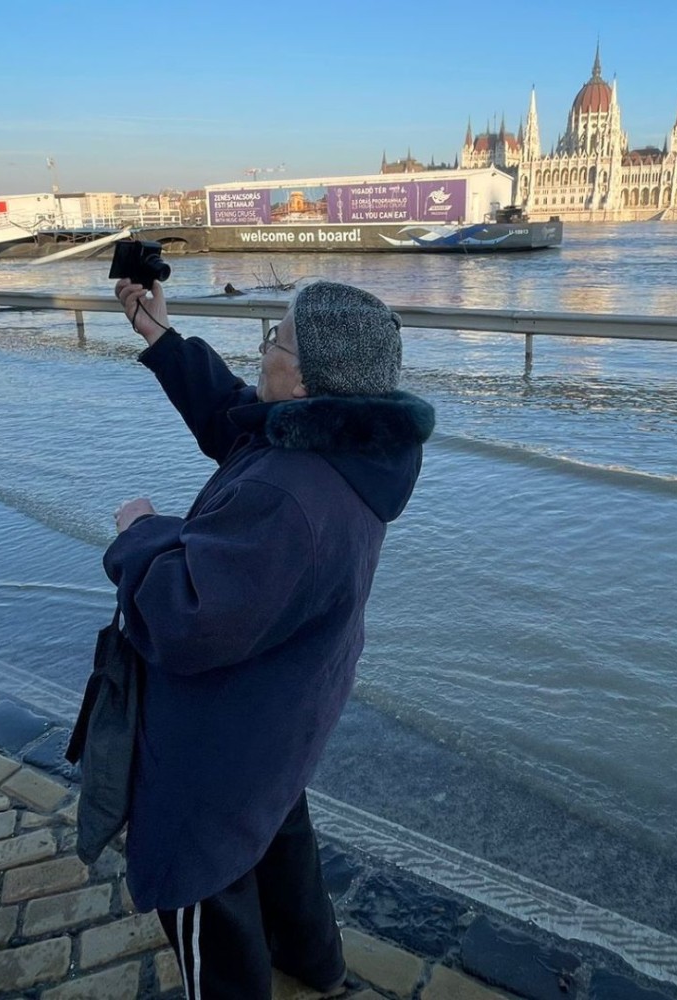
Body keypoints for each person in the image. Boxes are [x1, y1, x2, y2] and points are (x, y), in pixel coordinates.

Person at [105, 275, 434, 998]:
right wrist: (161, 338)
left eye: (276, 338)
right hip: (281, 714)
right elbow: (236, 420)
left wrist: (140, 535)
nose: (264, 346)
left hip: (220, 740)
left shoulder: (286, 493)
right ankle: (316, 973)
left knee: (206, 886)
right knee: (280, 838)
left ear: (311, 375)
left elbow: (186, 617)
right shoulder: (350, 447)